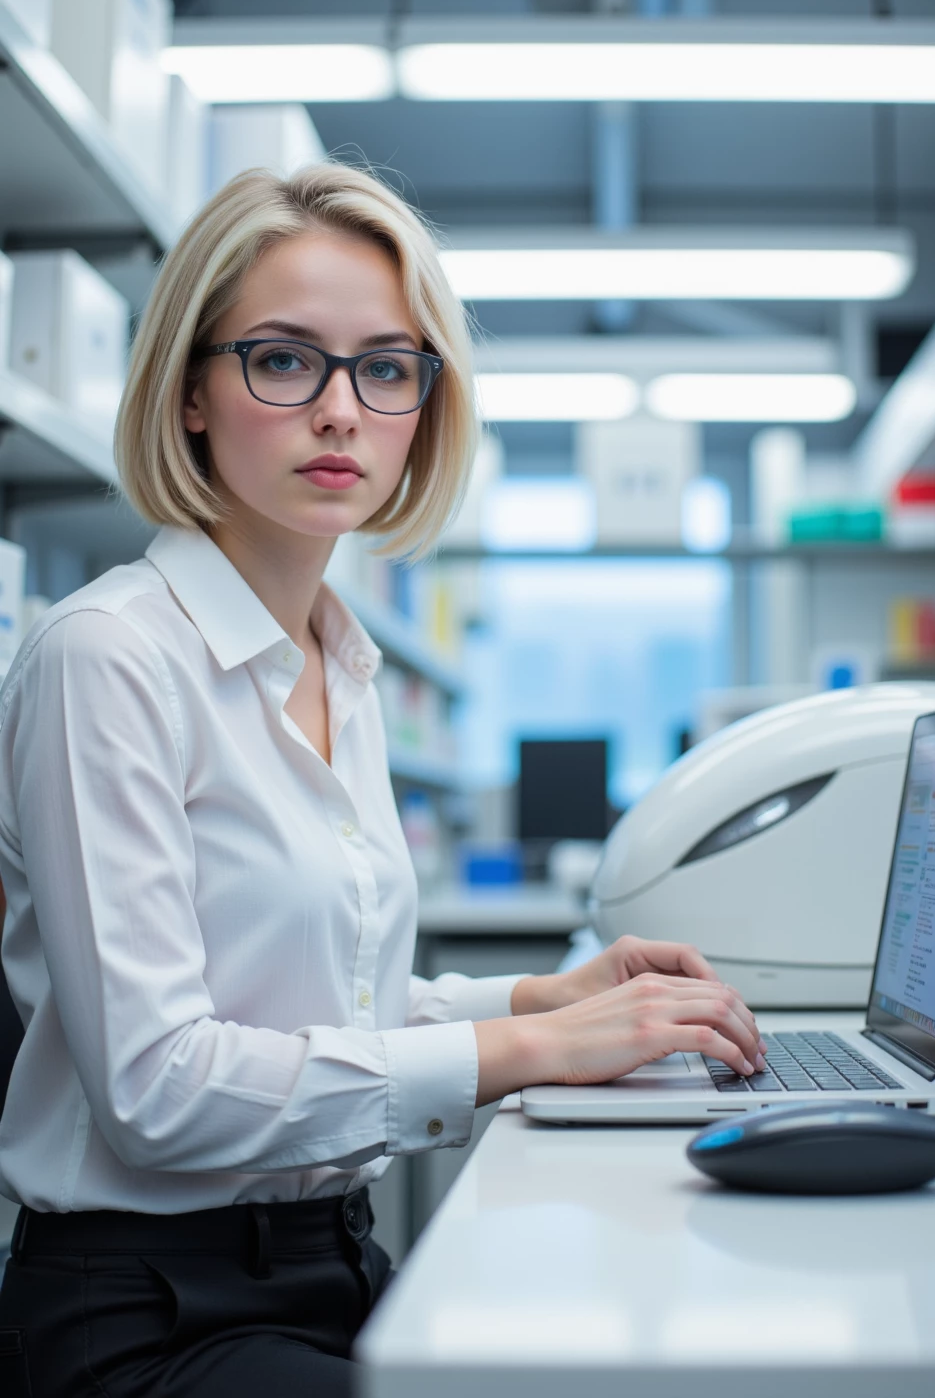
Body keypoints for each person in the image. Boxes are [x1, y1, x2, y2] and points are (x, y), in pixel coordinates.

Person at [0, 162, 765, 1397]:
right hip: (142, 1314)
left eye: (386, 367)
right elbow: (158, 1086)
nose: (341, 410)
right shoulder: (109, 658)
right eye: (284, 360)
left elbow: (310, 1011)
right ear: (192, 392)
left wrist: (537, 999)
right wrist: (535, 1054)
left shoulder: (335, 660)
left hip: (323, 1263)